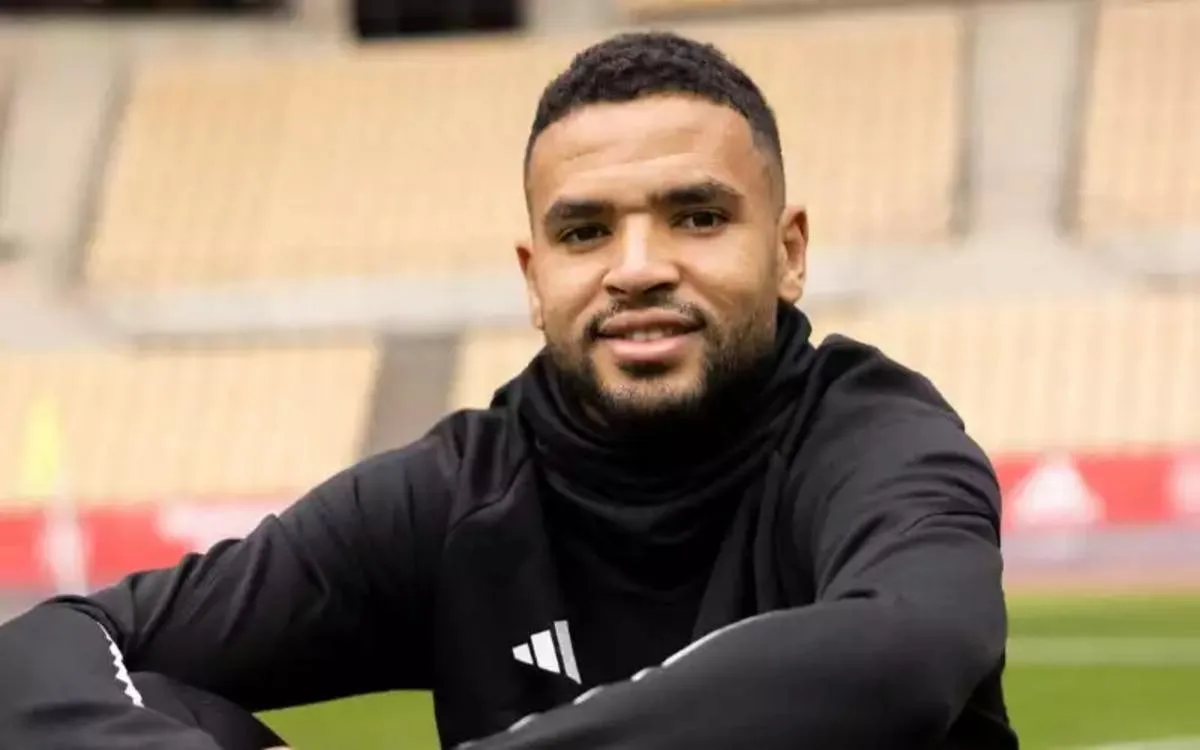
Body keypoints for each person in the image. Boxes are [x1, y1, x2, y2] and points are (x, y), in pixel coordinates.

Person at [0, 31, 1017, 749]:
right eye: (586, 232)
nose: (637, 268)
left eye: (698, 218)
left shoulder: (876, 438)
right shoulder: (457, 494)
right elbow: (53, 647)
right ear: (535, 280)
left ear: (789, 253)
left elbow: (904, 650)